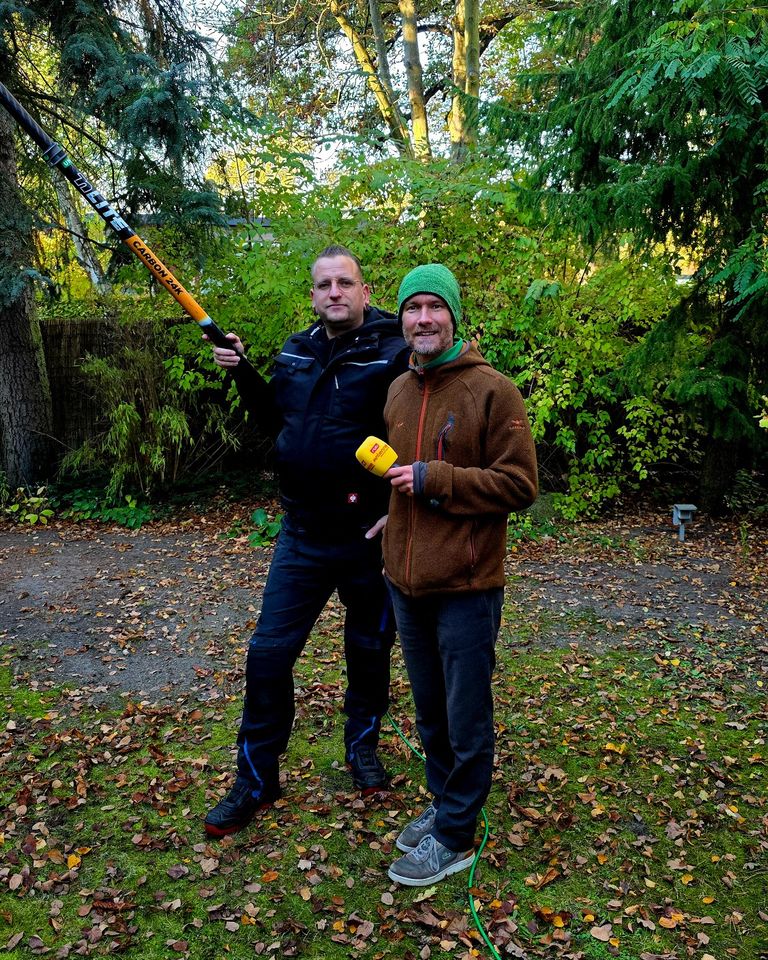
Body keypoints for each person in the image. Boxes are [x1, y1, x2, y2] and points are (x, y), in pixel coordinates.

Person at [203, 245, 410, 837]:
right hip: (301, 535)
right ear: (314, 295)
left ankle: (362, 748)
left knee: (369, 649)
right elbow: (275, 421)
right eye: (324, 285)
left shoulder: (395, 352)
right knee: (268, 655)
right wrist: (242, 370)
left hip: (366, 538)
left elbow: (420, 433)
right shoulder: (296, 350)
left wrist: (400, 508)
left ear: (366, 292)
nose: (334, 293)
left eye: (345, 283)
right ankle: (256, 779)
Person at [380, 264, 538, 885]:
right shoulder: (397, 390)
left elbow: (519, 484)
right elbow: (397, 476)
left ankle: (456, 836)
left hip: (467, 587)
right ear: (401, 318)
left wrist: (434, 479)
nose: (423, 318)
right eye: (412, 308)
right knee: (429, 711)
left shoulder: (492, 390)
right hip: (405, 583)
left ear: (453, 316)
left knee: (465, 715)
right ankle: (446, 802)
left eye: (434, 307)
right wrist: (389, 518)